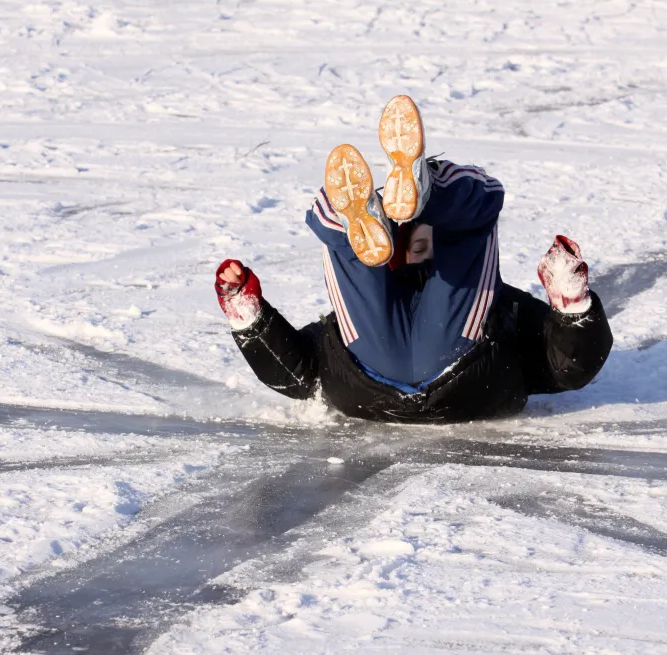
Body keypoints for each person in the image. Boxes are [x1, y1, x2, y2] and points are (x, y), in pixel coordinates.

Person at [214, 96, 613, 423]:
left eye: (423, 246)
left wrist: (247, 315)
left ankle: (350, 222)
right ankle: (422, 193)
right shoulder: (494, 301)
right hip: (460, 377)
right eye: (413, 248)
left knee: (358, 261)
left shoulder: (377, 309)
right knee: (475, 221)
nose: (420, 257)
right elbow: (569, 369)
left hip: (369, 381)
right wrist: (572, 307)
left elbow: (297, 377)